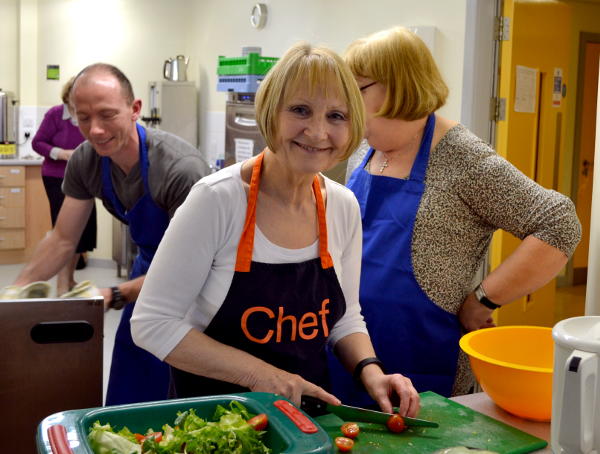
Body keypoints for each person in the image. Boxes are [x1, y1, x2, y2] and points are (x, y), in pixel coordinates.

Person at [131, 42, 420, 416]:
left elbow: (345, 317)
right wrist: (260, 376)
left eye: (337, 116)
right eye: (300, 110)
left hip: (308, 421)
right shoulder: (215, 201)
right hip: (218, 422)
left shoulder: (342, 206)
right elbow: (152, 324)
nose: (317, 132)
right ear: (270, 112)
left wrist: (371, 371)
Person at [327, 26, 582, 405]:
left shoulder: (462, 157)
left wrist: (484, 298)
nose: (346, 100)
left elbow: (560, 223)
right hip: (352, 347)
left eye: (357, 88)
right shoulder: (364, 149)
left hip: (425, 358)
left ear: (398, 85)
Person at [7, 63, 211, 405]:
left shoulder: (179, 169)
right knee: (132, 371)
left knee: (177, 387)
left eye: (107, 115)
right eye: (83, 117)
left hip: (199, 286)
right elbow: (62, 240)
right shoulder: (86, 161)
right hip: (148, 269)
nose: (95, 130)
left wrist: (115, 294)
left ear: (134, 110)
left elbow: (192, 267)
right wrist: (15, 294)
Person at [32, 77, 97, 296]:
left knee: (85, 230)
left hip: (84, 179)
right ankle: (61, 284)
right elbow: (37, 143)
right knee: (67, 230)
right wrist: (62, 153)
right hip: (56, 177)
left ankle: (69, 279)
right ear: (68, 95)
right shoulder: (55, 114)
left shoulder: (88, 117)